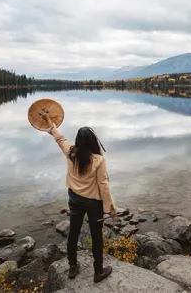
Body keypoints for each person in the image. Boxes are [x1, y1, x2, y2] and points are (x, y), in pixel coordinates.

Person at [39, 110, 117, 282]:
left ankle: (72, 267)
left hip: (75, 199)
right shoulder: (98, 160)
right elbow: (103, 185)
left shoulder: (70, 153)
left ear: (78, 141)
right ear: (93, 142)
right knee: (96, 237)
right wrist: (110, 209)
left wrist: (49, 122)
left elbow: (60, 138)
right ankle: (98, 272)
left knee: (73, 232)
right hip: (93, 204)